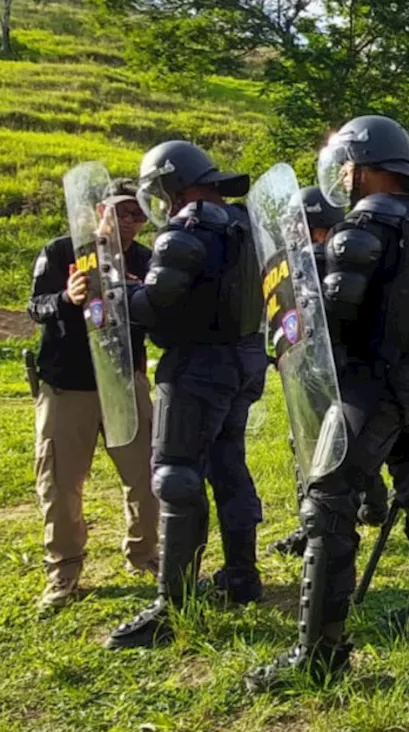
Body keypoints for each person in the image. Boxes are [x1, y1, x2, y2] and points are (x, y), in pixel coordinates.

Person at [245, 115, 409, 690]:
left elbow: (333, 318)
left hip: (371, 383)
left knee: (328, 505)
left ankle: (320, 655)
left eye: (348, 165)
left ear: (365, 167)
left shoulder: (363, 225)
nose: (343, 175)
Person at [105, 141, 268, 649]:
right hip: (244, 359)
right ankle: (242, 577)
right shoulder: (243, 223)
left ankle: (171, 606)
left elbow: (154, 305)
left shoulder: (186, 229)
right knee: (228, 467)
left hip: (199, 365)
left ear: (174, 184)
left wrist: (111, 286)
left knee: (176, 474)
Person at [27, 178, 158, 613]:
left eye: (139, 214)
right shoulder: (62, 250)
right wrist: (68, 296)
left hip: (125, 381)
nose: (131, 222)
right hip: (67, 384)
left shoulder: (146, 258)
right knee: (61, 482)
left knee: (147, 475)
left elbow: (158, 318)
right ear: (100, 209)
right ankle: (63, 571)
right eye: (123, 212)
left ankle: (145, 557)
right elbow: (35, 306)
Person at [267, 187, 389, 559]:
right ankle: (372, 503)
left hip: (319, 366)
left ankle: (315, 527)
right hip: (352, 367)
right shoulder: (355, 254)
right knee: (352, 443)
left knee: (310, 446)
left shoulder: (311, 261)